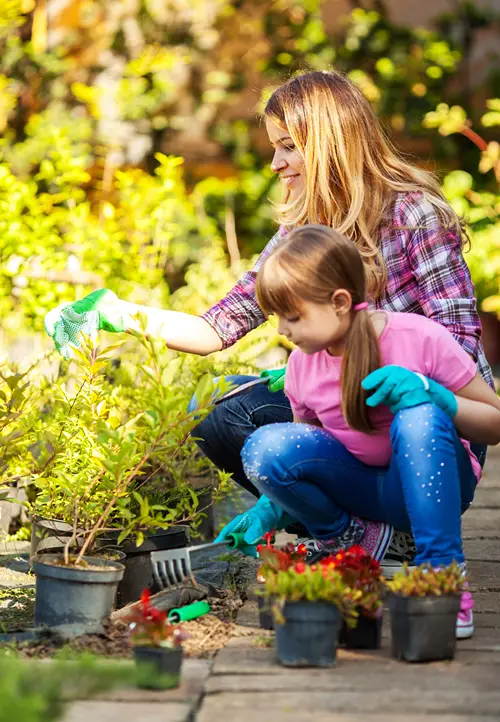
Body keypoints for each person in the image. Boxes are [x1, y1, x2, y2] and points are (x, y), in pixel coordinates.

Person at [44, 70, 494, 575]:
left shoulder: (414, 214)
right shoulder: (302, 228)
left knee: (407, 419)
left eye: (288, 147)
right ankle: (349, 534)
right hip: (351, 416)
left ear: (328, 142)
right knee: (218, 408)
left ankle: (411, 531)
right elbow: (218, 326)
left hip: (429, 417)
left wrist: (353, 356)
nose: (276, 162)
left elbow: (460, 343)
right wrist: (117, 313)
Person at [216, 224, 500, 640]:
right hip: (361, 490)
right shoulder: (302, 366)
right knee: (266, 447)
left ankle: (443, 578)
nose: (281, 330)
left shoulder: (418, 337)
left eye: (292, 317)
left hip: (428, 487)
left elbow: (494, 424)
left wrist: (433, 395)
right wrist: (268, 509)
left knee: (417, 417)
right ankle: (352, 541)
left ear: (339, 303)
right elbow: (304, 452)